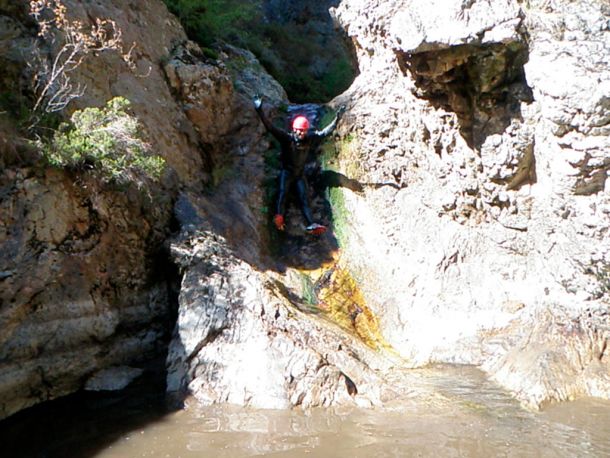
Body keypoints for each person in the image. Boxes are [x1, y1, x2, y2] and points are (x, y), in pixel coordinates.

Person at [254, 96, 345, 235]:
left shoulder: (310, 138)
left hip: (299, 174)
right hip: (287, 172)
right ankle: (279, 216)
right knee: (282, 192)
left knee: (304, 198)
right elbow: (270, 127)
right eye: (298, 130)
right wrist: (259, 110)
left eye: (303, 131)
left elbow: (325, 133)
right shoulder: (287, 138)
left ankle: (311, 224)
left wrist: (337, 119)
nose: (300, 133)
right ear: (294, 130)